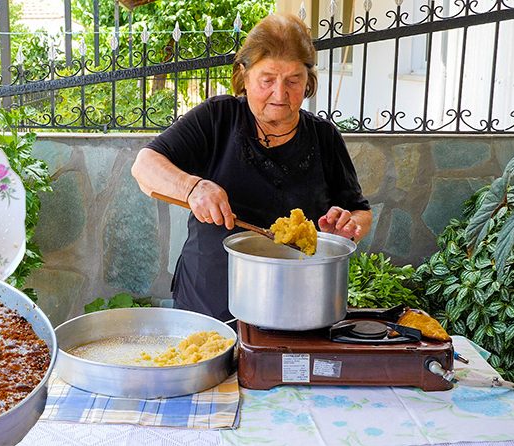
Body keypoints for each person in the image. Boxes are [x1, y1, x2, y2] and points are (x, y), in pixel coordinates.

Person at [131, 13, 372, 322]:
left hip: (296, 309)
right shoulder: (218, 118)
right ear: (244, 75)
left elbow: (359, 211)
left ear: (308, 81)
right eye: (267, 79)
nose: (280, 94)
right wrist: (193, 187)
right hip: (208, 304)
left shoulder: (324, 137)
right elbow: (145, 164)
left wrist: (345, 227)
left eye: (293, 81)